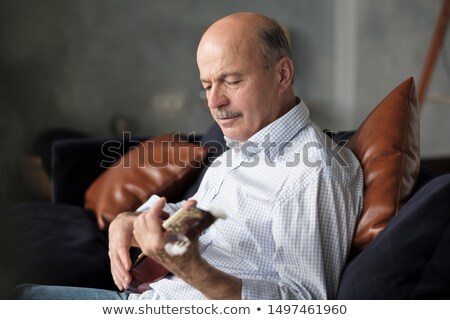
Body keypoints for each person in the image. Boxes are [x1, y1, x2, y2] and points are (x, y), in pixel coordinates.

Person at [15, 12, 363, 300]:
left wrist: (186, 266)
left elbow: (304, 305)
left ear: (283, 74)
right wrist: (128, 221)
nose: (214, 102)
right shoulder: (246, 142)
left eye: (231, 81)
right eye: (208, 86)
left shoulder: (313, 172)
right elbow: (198, 214)